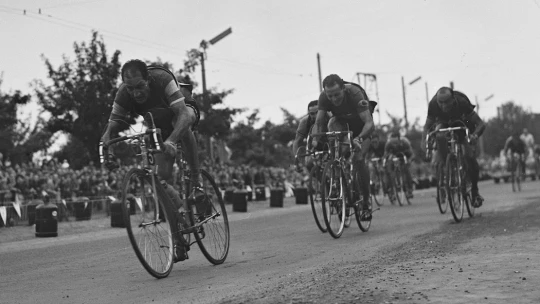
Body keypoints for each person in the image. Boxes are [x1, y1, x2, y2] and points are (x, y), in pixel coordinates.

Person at [100, 59, 202, 262]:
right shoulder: (123, 93)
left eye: (140, 87)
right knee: (161, 180)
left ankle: (196, 179)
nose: (136, 93)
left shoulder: (162, 79)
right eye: (131, 89)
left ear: (148, 79)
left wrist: (172, 141)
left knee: (182, 122)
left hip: (182, 109)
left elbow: (181, 113)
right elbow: (110, 128)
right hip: (157, 123)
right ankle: (179, 227)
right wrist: (106, 147)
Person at [312, 74, 375, 219]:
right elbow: (319, 122)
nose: (334, 99)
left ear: (343, 89)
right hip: (340, 123)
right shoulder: (323, 98)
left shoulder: (355, 94)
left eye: (337, 94)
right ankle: (338, 179)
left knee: (358, 159)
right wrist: (315, 142)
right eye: (330, 96)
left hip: (361, 126)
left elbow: (369, 123)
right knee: (330, 125)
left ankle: (366, 202)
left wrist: (359, 138)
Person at [421, 87, 486, 207]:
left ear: (453, 100)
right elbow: (427, 126)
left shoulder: (462, 102)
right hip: (444, 124)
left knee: (469, 156)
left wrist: (475, 136)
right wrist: (424, 142)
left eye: (446, 102)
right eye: (440, 102)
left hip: (462, 124)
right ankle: (448, 165)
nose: (443, 105)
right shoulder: (433, 104)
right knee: (439, 134)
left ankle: (475, 191)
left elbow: (481, 124)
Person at [292, 100, 329, 173]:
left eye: (317, 112)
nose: (315, 116)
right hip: (315, 144)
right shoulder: (304, 122)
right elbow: (297, 142)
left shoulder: (329, 116)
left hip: (330, 141)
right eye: (312, 114)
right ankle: (323, 181)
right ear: (308, 114)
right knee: (308, 163)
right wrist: (298, 160)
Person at [384, 129, 415, 199]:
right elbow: (385, 155)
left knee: (407, 170)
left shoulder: (405, 142)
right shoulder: (388, 144)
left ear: (399, 139)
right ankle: (391, 190)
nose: (394, 144)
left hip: (404, 156)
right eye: (393, 143)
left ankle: (409, 189)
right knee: (389, 171)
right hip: (394, 158)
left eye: (396, 142)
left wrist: (409, 160)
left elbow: (412, 154)